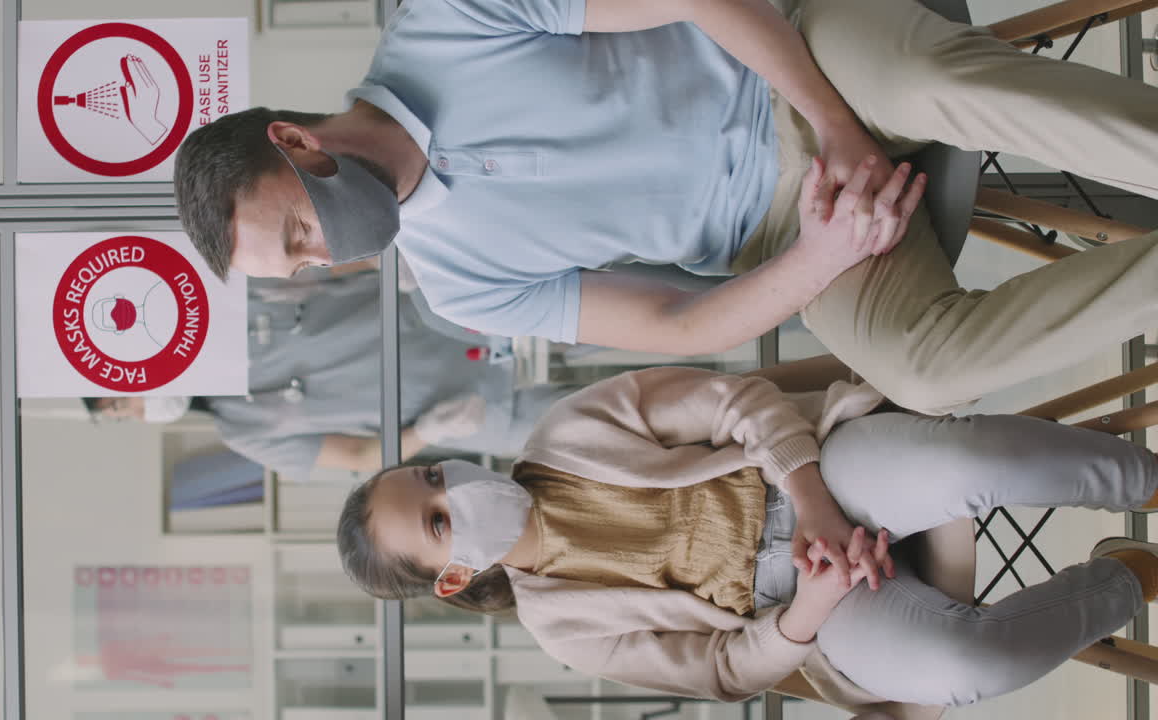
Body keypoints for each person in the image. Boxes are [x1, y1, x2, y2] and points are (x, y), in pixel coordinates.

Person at [173, 0, 1158, 415]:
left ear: (294, 145)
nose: (322, 257)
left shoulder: (442, 24)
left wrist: (834, 127)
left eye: (297, 231)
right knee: (928, 372)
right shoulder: (459, 289)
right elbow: (679, 320)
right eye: (299, 267)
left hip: (792, 75)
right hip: (781, 234)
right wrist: (820, 252)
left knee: (936, 84)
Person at [336, 366, 1158, 716]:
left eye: (435, 477)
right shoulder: (563, 629)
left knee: (962, 459)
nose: (458, 491)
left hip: (813, 474)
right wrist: (813, 603)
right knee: (965, 668)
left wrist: (813, 506)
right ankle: (1126, 579)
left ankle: (1141, 477)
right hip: (804, 604)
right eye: (439, 521)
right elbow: (723, 671)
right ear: (452, 579)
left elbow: (739, 403)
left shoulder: (568, 429)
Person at [85, 271, 578, 481]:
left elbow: (331, 264)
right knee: (612, 428)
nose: (135, 410)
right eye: (122, 415)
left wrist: (403, 269)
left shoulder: (233, 301)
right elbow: (360, 455)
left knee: (626, 310)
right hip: (474, 407)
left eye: (118, 401)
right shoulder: (243, 429)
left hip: (454, 316)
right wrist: (430, 432)